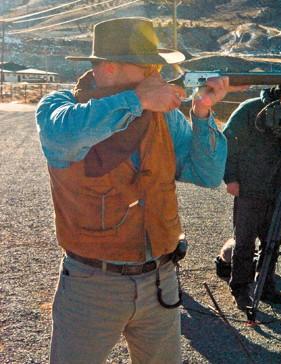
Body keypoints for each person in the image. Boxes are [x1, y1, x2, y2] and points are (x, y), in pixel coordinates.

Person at [35, 17, 244, 364]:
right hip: (91, 284)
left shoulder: (163, 116)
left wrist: (203, 112)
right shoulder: (59, 106)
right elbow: (62, 136)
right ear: (110, 68)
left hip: (159, 280)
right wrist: (137, 100)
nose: (157, 76)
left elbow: (207, 174)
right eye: (148, 67)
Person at [222, 84, 281, 310]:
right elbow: (227, 143)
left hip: (279, 186)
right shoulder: (250, 110)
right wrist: (230, 178)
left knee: (273, 240)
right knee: (245, 240)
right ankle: (240, 288)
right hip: (249, 186)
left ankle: (265, 285)